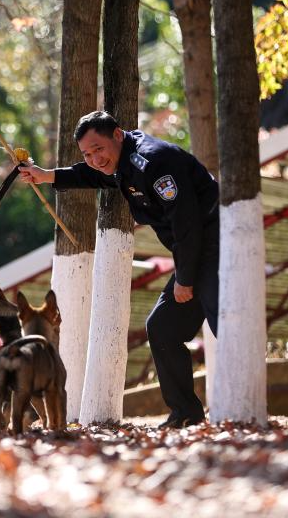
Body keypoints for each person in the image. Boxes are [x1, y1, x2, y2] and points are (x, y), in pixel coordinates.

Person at [18, 110, 219, 428]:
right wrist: (46, 176)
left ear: (117, 134)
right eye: (87, 153)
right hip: (193, 253)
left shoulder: (154, 162)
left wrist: (185, 279)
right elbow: (91, 176)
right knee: (163, 328)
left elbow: (187, 224)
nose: (95, 159)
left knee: (226, 324)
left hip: (216, 247)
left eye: (98, 149)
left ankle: (244, 408)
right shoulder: (123, 162)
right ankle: (186, 414)